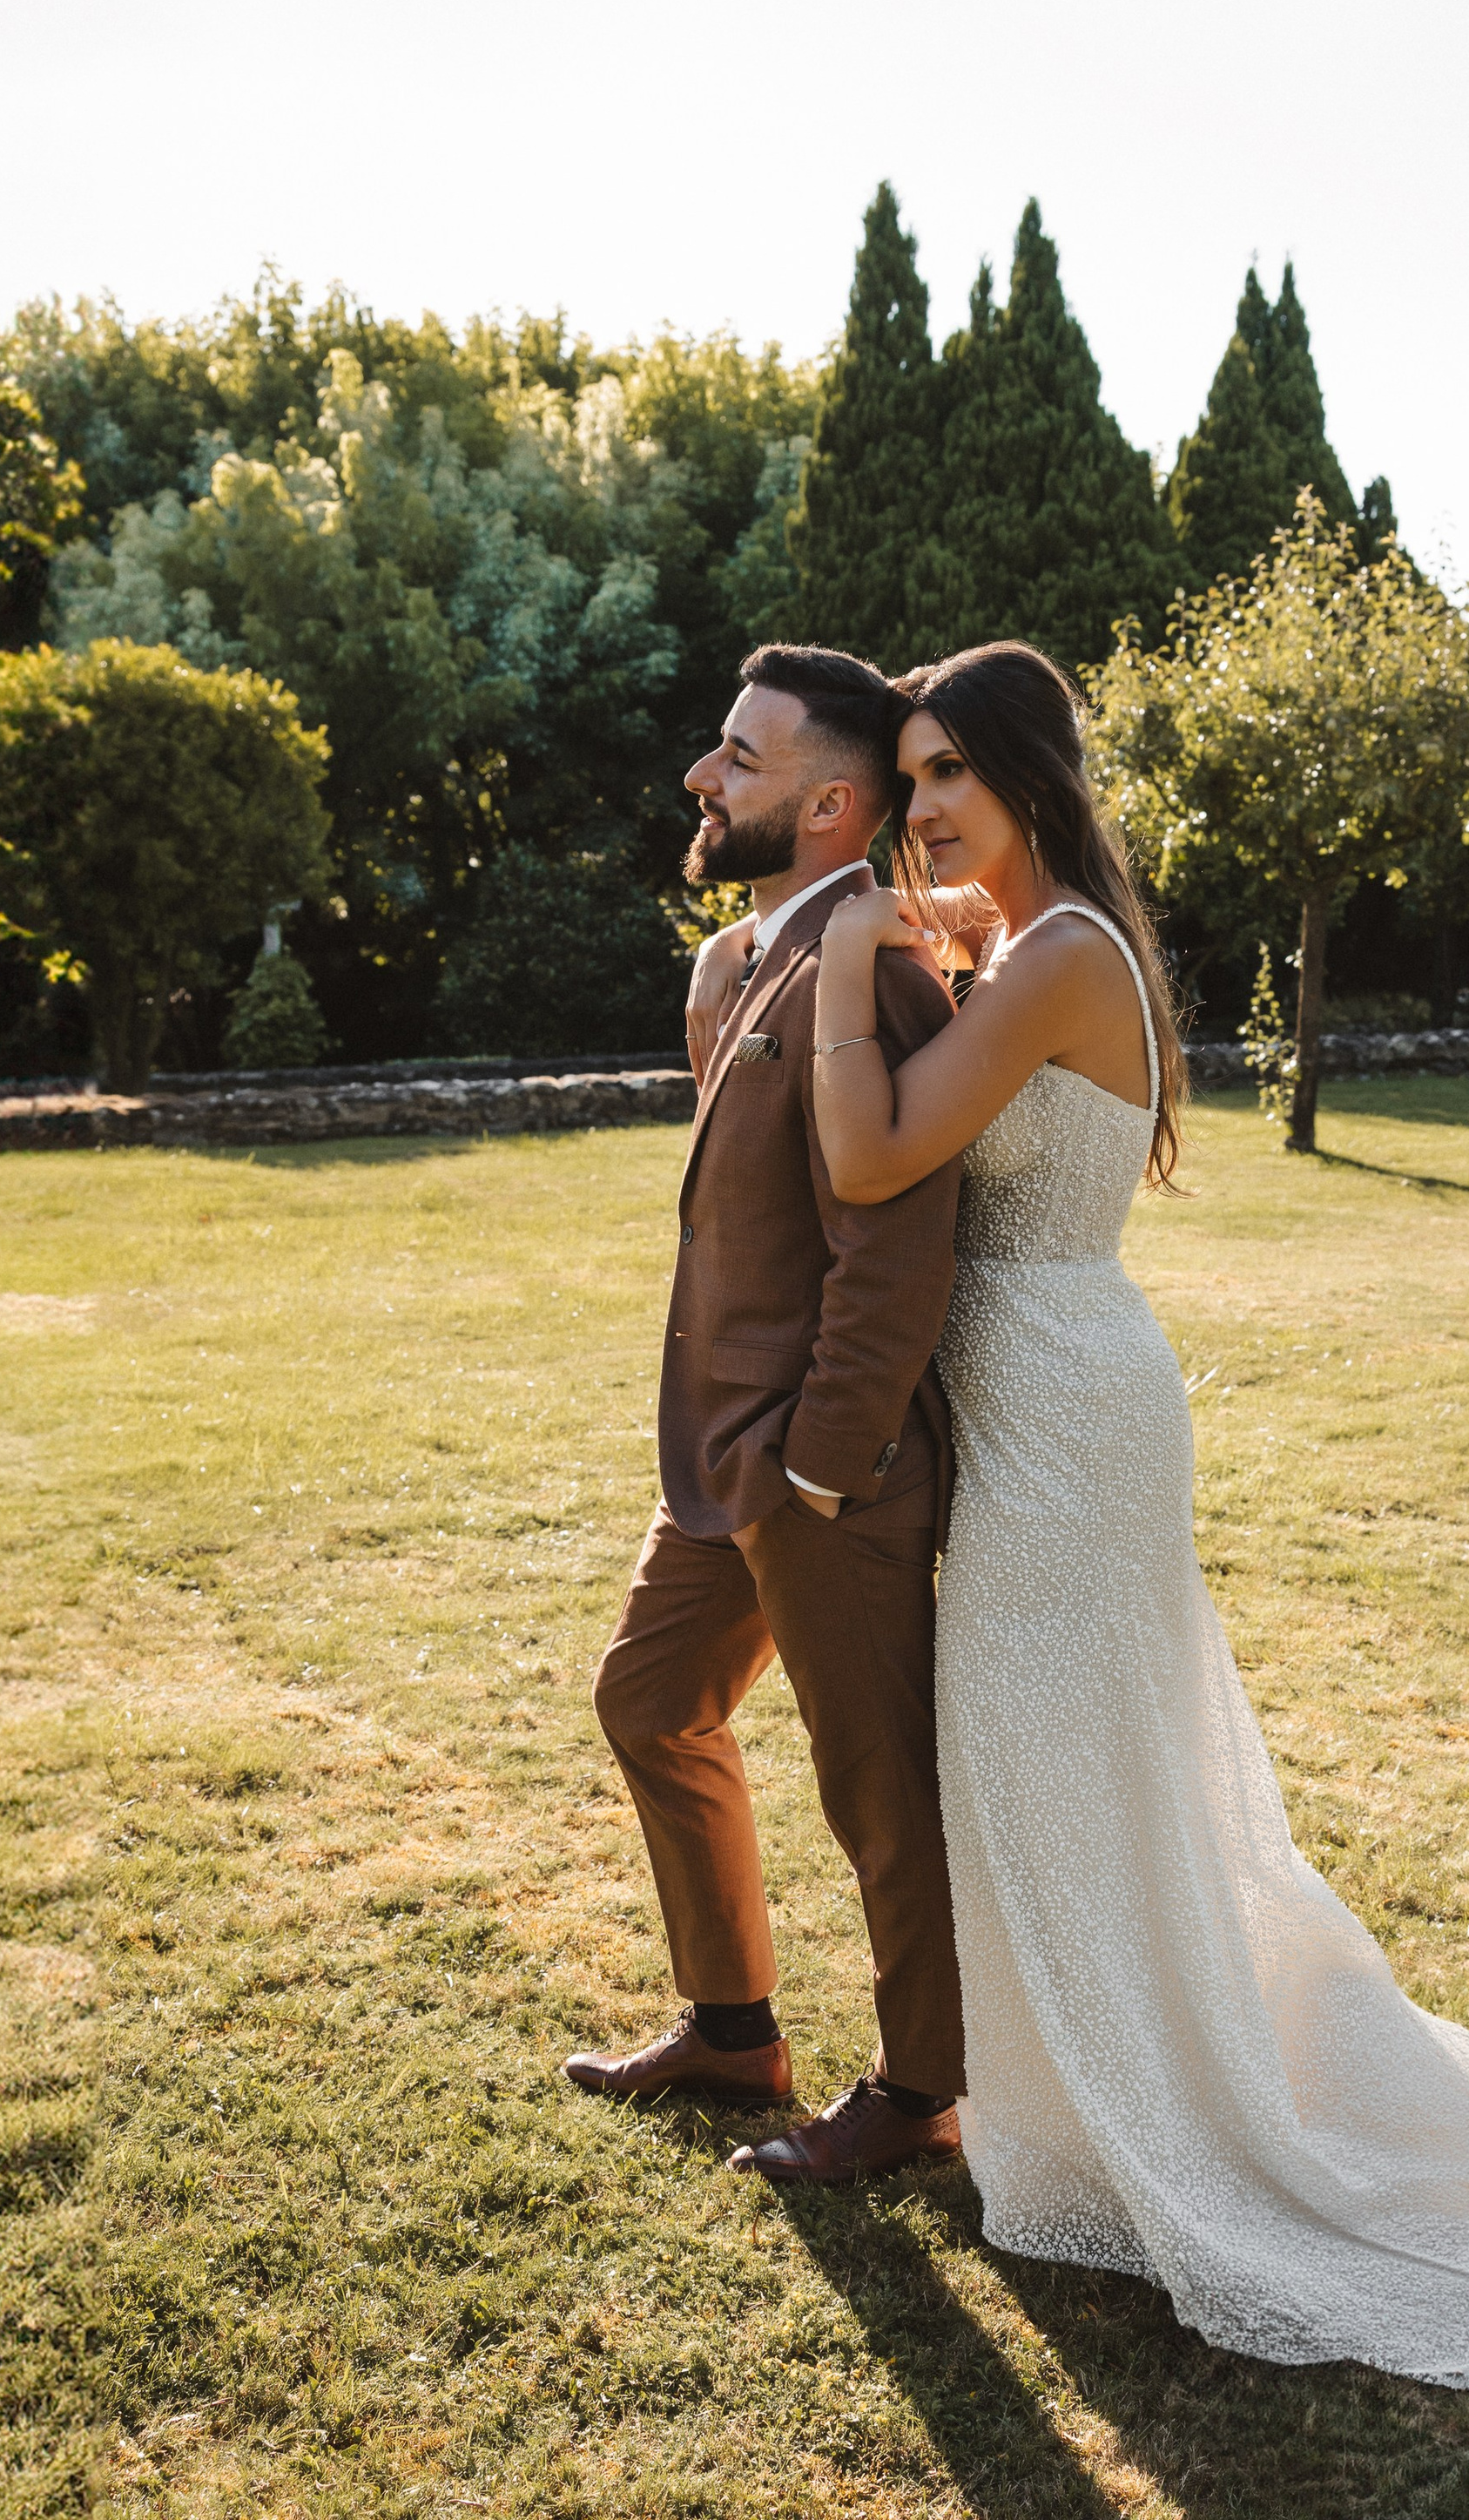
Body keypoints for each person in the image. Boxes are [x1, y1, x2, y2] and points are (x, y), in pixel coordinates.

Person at [781, 634, 1469, 2386]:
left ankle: (1164, 2122)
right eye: (906, 781)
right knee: (1058, 1775)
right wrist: (929, 933)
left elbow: (873, 1150)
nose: (923, 808)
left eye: (949, 771)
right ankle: (1090, 2109)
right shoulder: (1039, 944)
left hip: (1063, 1414)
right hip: (1050, 1393)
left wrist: (839, 961)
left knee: (1053, 1770)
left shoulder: (1058, 954)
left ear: (1030, 775)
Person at [559, 643, 969, 2188]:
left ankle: (923, 2096)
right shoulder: (737, 964)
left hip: (823, 1468)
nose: (701, 774)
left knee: (880, 1788)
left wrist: (825, 1461)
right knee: (648, 1700)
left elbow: (894, 1248)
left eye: (740, 756)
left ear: (832, 806)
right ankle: (733, 2029)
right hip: (719, 1458)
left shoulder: (886, 978)